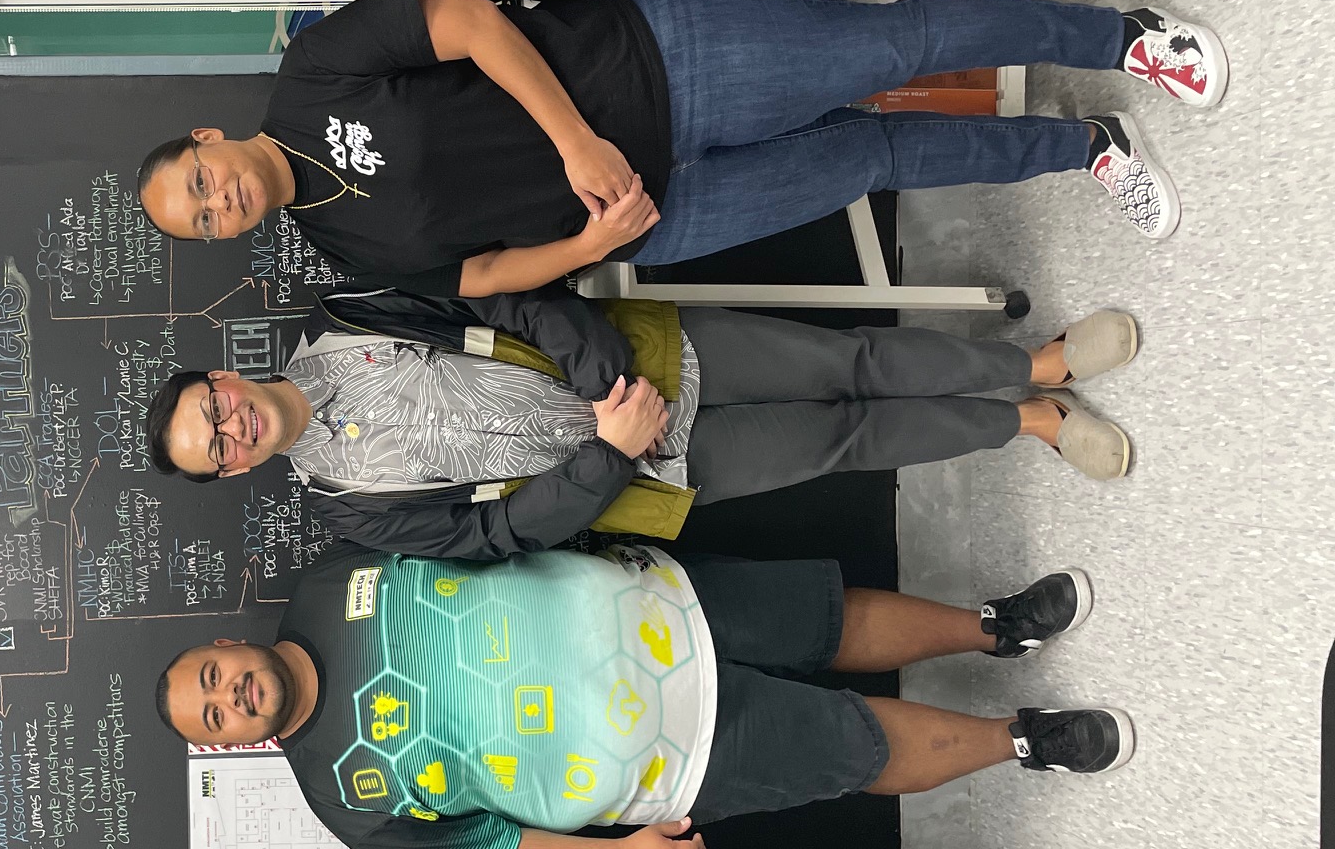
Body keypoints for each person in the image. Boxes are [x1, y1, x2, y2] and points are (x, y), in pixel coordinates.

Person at [135, 0, 1226, 294]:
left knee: (892, 53)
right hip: (660, 219)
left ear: (204, 138)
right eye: (200, 222)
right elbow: (477, 274)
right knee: (876, 158)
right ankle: (1088, 149)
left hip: (657, 64)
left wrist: (573, 147)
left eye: (195, 182)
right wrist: (596, 241)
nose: (213, 203)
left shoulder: (312, 73)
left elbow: (466, 24)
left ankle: (1124, 38)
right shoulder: (342, 255)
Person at [154, 543, 1129, 849]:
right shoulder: (342, 801)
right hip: (668, 764)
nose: (226, 695)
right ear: (228, 743)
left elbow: (479, 522)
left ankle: (995, 627)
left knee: (829, 619)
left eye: (210, 675)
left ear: (224, 647)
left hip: (654, 605)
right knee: (851, 745)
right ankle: (1023, 741)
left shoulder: (329, 579)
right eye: (212, 715)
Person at [143, 288, 1139, 559]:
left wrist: (603, 374)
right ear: (233, 472)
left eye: (210, 411)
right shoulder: (347, 510)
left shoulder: (344, 316)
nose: (229, 430)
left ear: (225, 377)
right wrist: (609, 457)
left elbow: (492, 295)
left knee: (851, 360)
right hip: (642, 474)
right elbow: (492, 535)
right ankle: (1033, 424)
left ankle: (1034, 364)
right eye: (214, 449)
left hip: (641, 361)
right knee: (847, 439)